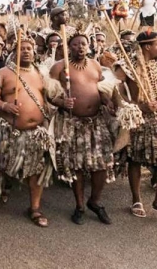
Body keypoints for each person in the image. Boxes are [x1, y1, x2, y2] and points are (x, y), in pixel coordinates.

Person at [0, 37, 59, 227]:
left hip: (37, 133)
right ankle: (7, 184)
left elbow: (50, 96)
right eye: (21, 48)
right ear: (14, 52)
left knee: (37, 170)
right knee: (8, 167)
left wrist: (63, 103)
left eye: (29, 48)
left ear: (34, 51)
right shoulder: (4, 73)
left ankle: (35, 208)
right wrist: (5, 105)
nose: (26, 51)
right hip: (10, 131)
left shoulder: (41, 73)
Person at [50, 30, 115, 225]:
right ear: (69, 47)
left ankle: (94, 202)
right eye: (76, 44)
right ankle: (79, 205)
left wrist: (106, 100)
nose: (80, 47)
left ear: (89, 46)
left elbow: (103, 89)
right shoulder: (60, 67)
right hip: (72, 123)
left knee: (102, 165)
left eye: (83, 44)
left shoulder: (96, 65)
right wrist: (62, 102)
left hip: (96, 122)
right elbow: (48, 94)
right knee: (76, 166)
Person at [112, 30, 157, 217]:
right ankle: (136, 199)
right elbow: (116, 92)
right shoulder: (127, 67)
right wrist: (137, 105)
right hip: (137, 119)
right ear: (147, 46)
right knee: (135, 159)